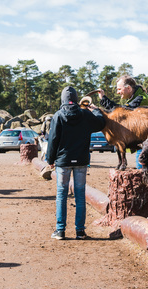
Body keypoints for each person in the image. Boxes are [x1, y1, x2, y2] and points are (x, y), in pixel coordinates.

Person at [47, 86, 106, 240]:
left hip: (63, 160)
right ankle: (80, 231)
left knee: (61, 195)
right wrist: (96, 110)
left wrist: (50, 160)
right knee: (80, 196)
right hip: (81, 160)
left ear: (63, 99)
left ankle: (60, 231)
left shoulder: (58, 115)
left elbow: (53, 139)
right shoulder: (85, 114)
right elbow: (100, 124)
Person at [97, 75, 148, 169]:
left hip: (144, 143)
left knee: (142, 173)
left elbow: (121, 111)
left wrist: (102, 102)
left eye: (119, 89)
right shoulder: (136, 97)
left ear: (129, 88)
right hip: (141, 141)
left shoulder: (141, 98)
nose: (118, 92)